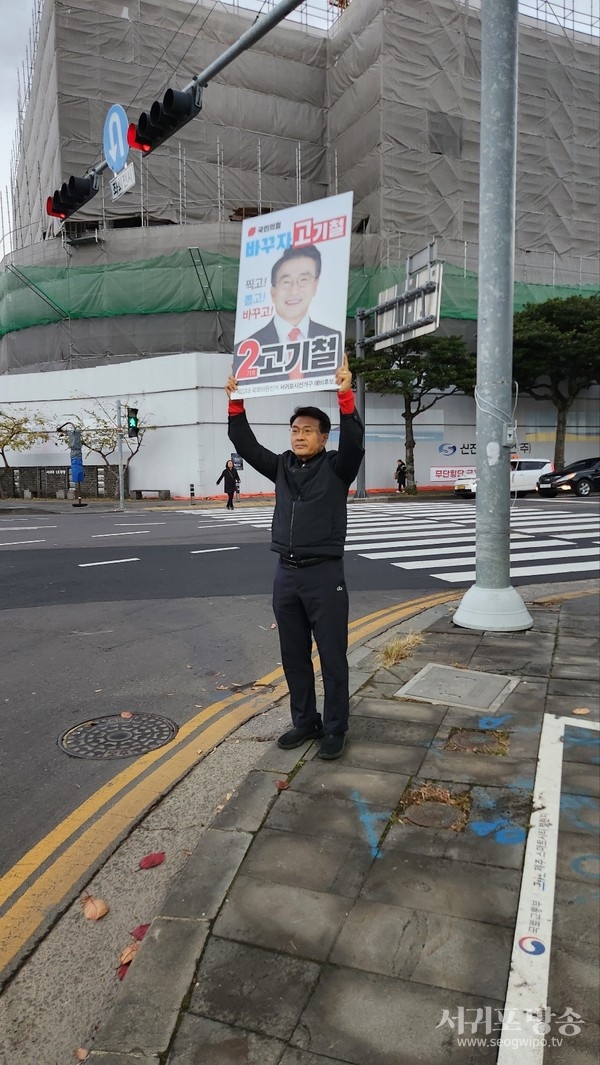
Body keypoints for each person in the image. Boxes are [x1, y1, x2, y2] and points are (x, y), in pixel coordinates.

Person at [225, 353, 364, 760]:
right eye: (294, 429)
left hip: (324, 575)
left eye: (308, 430)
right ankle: (305, 721)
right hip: (286, 575)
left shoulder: (339, 468)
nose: (299, 435)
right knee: (293, 655)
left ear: (323, 438)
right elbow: (245, 444)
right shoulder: (283, 466)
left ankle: (336, 727)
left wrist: (344, 395)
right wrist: (236, 402)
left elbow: (354, 440)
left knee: (333, 656)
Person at [233, 244, 342, 383]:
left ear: (315, 285)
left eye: (303, 280)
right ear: (273, 292)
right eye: (286, 282)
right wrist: (235, 398)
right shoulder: (247, 349)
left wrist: (345, 393)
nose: (294, 290)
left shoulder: (333, 340)